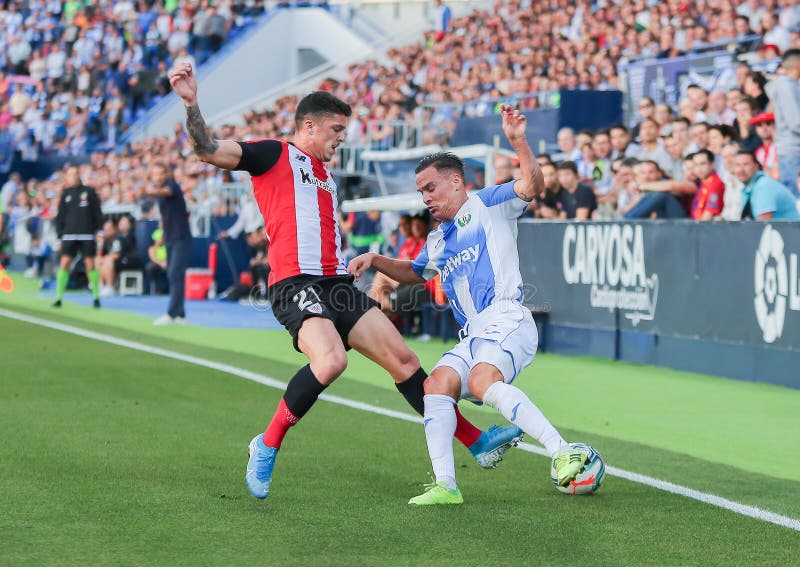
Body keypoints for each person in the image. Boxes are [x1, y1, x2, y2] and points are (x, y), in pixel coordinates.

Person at [167, 61, 521, 500]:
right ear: (309, 125)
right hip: (295, 286)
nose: (341, 138)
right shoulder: (273, 154)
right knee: (332, 361)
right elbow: (207, 149)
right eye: (335, 129)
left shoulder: (326, 176)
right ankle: (266, 444)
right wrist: (190, 102)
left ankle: (475, 440)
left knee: (406, 363)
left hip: (337, 285)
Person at [347, 107, 589, 506]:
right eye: (421, 191)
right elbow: (415, 272)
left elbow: (532, 185)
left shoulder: (488, 203)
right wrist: (376, 260)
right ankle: (446, 485)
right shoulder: (439, 238)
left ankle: (563, 451)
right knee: (435, 386)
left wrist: (518, 143)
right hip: (473, 333)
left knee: (480, 382)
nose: (425, 197)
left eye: (431, 188)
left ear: (456, 182)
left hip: (508, 316)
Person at [144, 162, 191, 325]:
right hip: (170, 237)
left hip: (181, 237)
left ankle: (171, 314)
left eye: (159, 173)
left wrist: (151, 191)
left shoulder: (172, 186)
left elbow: (166, 191)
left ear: (166, 174)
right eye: (154, 174)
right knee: (175, 276)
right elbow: (165, 216)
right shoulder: (161, 195)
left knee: (174, 274)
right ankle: (180, 315)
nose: (157, 177)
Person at [53, 166, 103, 308]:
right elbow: (60, 217)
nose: (74, 176)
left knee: (90, 264)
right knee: (64, 264)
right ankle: (58, 297)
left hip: (86, 234)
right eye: (70, 174)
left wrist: (100, 231)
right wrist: (59, 236)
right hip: (69, 235)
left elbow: (97, 212)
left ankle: (96, 297)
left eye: (76, 174)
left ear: (79, 175)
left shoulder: (89, 192)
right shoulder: (66, 194)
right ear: (67, 177)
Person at [765, 49, 800, 195]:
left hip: (790, 150)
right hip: (793, 150)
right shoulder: (786, 86)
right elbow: (796, 122)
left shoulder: (787, 85)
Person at [734, 151, 800, 220]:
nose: (741, 170)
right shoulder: (747, 188)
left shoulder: (764, 185)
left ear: (756, 166)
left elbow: (763, 224)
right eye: (737, 165)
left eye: (746, 164)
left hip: (793, 229)